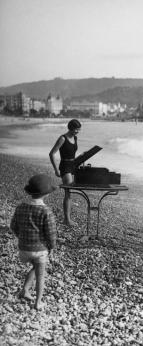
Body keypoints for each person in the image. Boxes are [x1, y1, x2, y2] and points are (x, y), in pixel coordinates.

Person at [10, 174, 57, 310]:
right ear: (47, 194)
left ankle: (24, 290)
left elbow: (13, 226)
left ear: (30, 192)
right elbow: (51, 233)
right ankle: (38, 302)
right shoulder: (46, 211)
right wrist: (52, 247)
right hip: (39, 250)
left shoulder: (21, 207)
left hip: (23, 250)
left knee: (35, 266)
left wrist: (22, 237)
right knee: (41, 275)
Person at [49, 119, 81, 226]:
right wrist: (56, 169)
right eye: (76, 129)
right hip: (65, 166)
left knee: (70, 193)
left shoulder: (75, 138)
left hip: (73, 166)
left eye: (79, 130)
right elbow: (51, 153)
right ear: (70, 128)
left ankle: (67, 218)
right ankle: (67, 220)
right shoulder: (62, 138)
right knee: (68, 192)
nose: (77, 132)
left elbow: (72, 153)